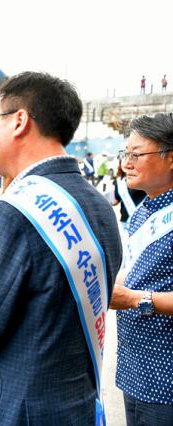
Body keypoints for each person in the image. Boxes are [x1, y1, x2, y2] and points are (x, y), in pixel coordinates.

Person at [0, 72, 122, 425]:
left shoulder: (10, 214)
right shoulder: (99, 205)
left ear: (20, 121)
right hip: (76, 406)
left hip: (11, 409)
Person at [110, 113, 173, 425]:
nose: (126, 163)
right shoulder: (141, 214)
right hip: (135, 369)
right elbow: (133, 275)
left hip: (167, 379)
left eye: (136, 154)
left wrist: (135, 299)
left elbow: (136, 292)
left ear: (170, 158)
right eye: (125, 154)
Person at [113, 157, 146, 226]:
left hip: (143, 218)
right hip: (125, 219)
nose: (127, 164)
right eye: (124, 161)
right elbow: (117, 200)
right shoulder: (118, 181)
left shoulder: (144, 178)